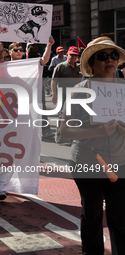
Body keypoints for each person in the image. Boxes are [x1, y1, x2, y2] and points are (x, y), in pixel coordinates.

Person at [60, 36, 125, 255]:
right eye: (103, 56)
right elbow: (65, 131)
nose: (110, 60)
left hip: (120, 163)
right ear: (91, 64)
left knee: (120, 217)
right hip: (88, 161)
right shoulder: (79, 90)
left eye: (113, 55)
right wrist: (96, 131)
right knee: (92, 215)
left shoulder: (124, 89)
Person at [51, 46, 81, 143]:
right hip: (63, 95)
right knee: (62, 115)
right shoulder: (61, 66)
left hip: (75, 95)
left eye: (75, 55)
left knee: (75, 115)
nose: (73, 57)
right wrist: (54, 94)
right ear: (67, 55)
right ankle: (59, 135)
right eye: (71, 55)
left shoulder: (79, 68)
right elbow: (53, 81)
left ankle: (72, 136)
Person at [26, 37, 56, 138]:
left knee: (41, 108)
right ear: (27, 48)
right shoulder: (22, 58)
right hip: (26, 88)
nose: (34, 47)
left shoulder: (39, 58)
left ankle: (45, 129)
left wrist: (49, 45)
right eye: (31, 45)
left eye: (35, 45)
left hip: (39, 87)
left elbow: (45, 60)